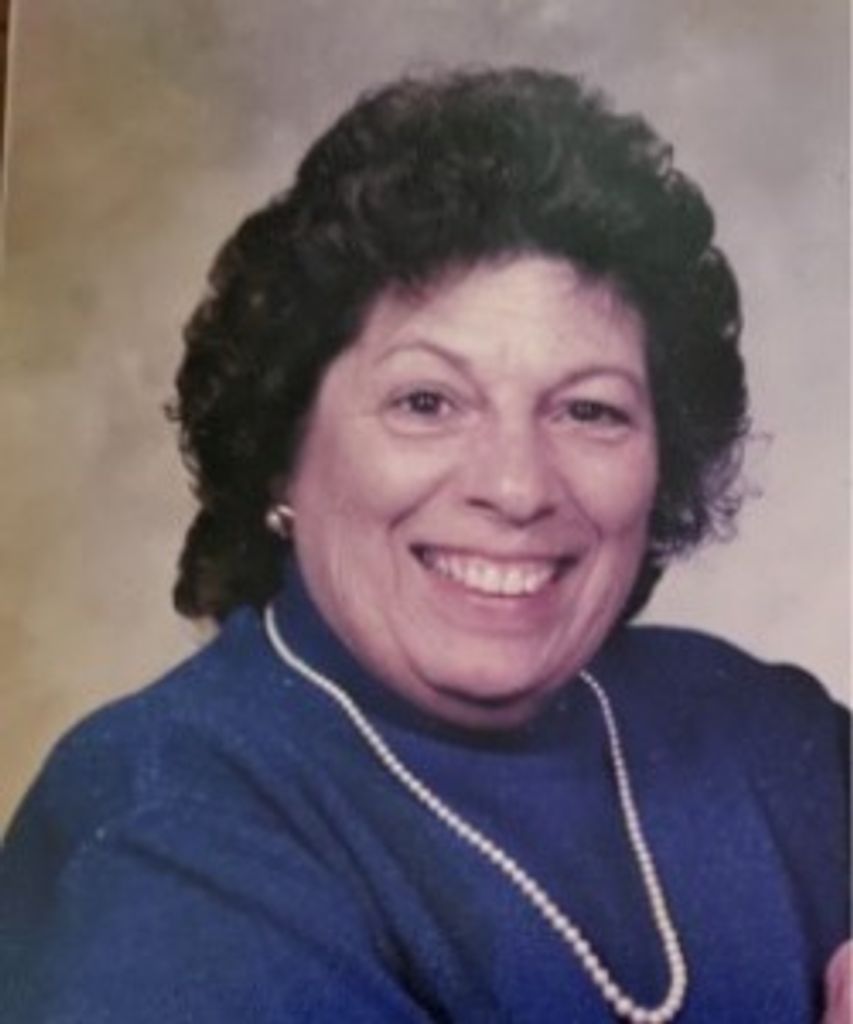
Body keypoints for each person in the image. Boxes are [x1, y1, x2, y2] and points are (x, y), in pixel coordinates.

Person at [0, 68, 848, 1023]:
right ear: (281, 450)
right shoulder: (164, 826)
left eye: (589, 410)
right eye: (426, 402)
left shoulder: (756, 729)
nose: (517, 487)